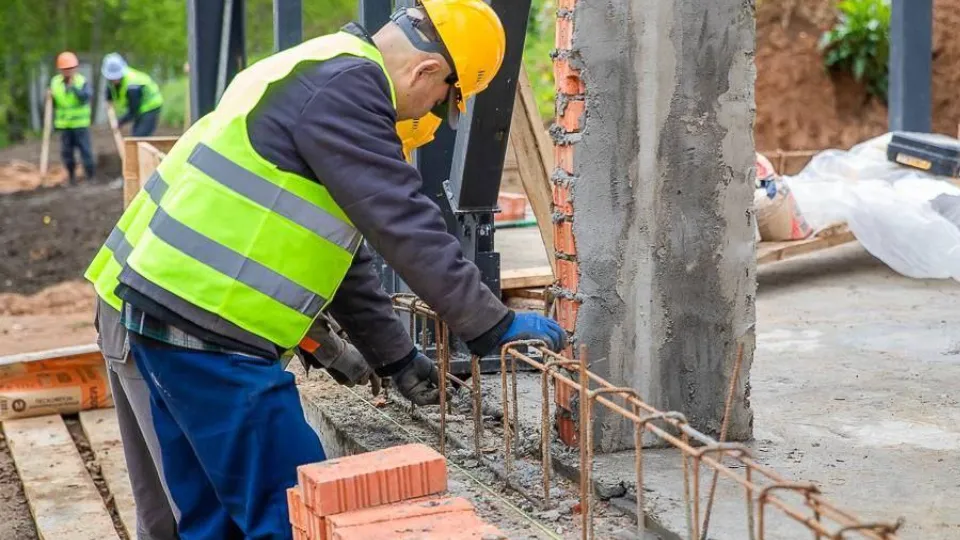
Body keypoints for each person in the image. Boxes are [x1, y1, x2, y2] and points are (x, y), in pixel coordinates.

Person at [84, 1, 566, 538]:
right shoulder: (349, 89)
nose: (429, 112)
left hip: (174, 323)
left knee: (212, 519)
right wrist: (492, 326)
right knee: (294, 511)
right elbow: (404, 221)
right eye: (442, 100)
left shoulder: (317, 66)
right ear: (426, 70)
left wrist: (398, 358)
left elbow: (343, 259)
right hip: (212, 333)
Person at [49, 51, 95, 184]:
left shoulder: (82, 82)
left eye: (70, 69)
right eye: (65, 69)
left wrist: (74, 88)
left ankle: (90, 177)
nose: (68, 72)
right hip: (64, 125)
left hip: (80, 125)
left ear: (76, 68)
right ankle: (71, 177)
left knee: (85, 152)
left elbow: (85, 98)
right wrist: (49, 97)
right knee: (67, 154)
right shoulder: (55, 82)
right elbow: (55, 103)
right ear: (60, 70)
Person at [102, 53, 163, 137]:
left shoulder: (133, 86)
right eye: (111, 78)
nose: (114, 80)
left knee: (140, 136)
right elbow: (111, 92)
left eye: (116, 77)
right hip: (140, 106)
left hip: (151, 106)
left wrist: (120, 122)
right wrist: (108, 99)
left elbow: (133, 111)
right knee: (135, 134)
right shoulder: (113, 83)